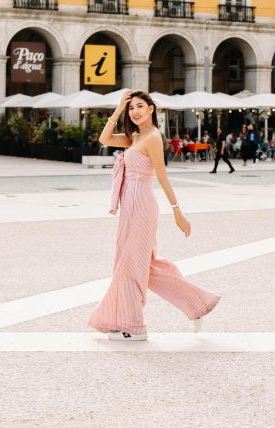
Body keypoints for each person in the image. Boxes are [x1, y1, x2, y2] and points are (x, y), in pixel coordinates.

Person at [87, 90, 220, 341]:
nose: (135, 111)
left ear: (151, 109)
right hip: (129, 206)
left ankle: (132, 326)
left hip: (142, 206)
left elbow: (162, 176)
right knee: (142, 266)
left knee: (130, 265)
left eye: (140, 106)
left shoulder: (153, 137)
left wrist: (177, 211)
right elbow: (104, 138)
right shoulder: (134, 137)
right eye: (131, 108)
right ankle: (197, 303)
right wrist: (118, 108)